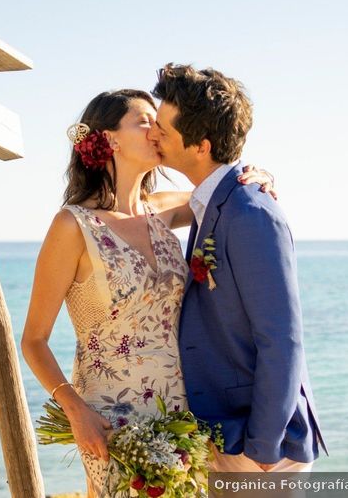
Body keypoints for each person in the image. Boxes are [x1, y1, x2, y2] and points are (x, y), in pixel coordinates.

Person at [21, 88, 275, 496]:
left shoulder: (162, 209)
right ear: (108, 139)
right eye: (144, 121)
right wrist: (76, 412)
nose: (157, 129)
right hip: (109, 419)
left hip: (182, 410)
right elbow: (33, 340)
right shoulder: (72, 226)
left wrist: (257, 176)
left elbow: (224, 188)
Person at [149, 63, 326, 473]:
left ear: (201, 146)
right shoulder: (214, 200)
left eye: (163, 128)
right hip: (226, 434)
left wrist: (262, 448)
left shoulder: (250, 211)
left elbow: (282, 339)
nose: (153, 134)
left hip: (260, 451)